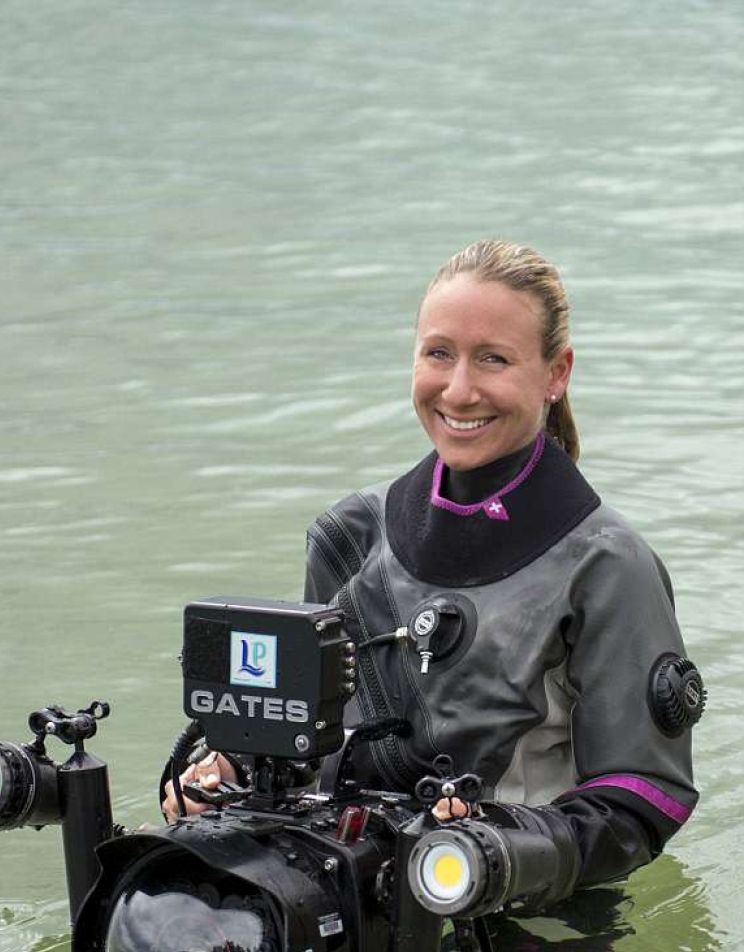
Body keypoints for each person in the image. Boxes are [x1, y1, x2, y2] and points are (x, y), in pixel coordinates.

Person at [162, 240, 702, 911]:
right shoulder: (350, 533)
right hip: (338, 890)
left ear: (555, 373)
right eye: (438, 352)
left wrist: (488, 848)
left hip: (522, 925)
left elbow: (643, 800)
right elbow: (304, 731)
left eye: (493, 358)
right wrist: (230, 771)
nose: (458, 389)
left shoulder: (606, 564)